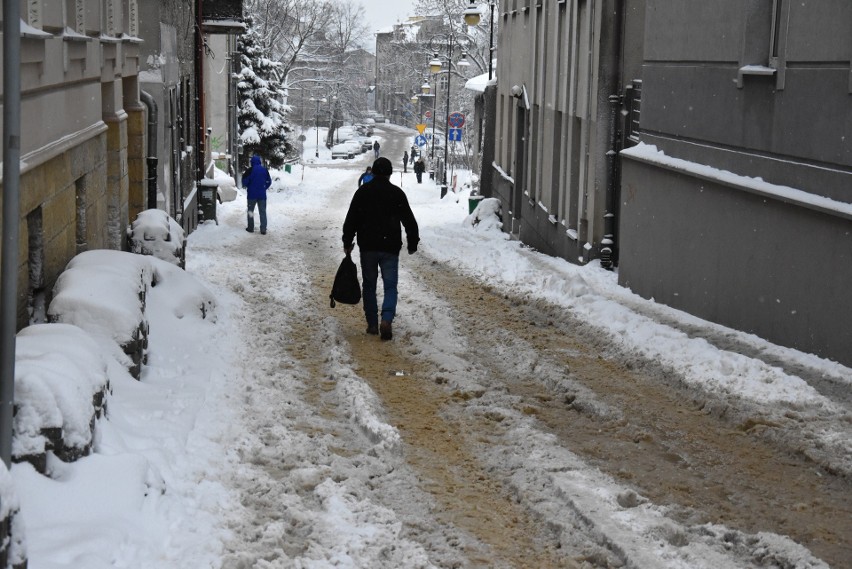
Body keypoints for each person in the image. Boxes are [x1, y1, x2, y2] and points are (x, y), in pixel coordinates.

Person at [342, 157, 419, 341]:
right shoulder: (397, 194)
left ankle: (372, 324)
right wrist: (412, 242)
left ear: (374, 172)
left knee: (369, 285)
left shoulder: (363, 192)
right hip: (390, 247)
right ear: (390, 173)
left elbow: (351, 219)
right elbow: (409, 220)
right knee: (390, 285)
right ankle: (386, 319)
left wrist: (347, 241)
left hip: (368, 247)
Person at [242, 154, 272, 234]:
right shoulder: (264, 170)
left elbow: (244, 182)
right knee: (262, 212)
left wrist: (249, 186)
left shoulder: (249, 170)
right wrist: (264, 187)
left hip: (252, 195)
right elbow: (269, 181)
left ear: (252, 162)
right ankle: (263, 229)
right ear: (259, 161)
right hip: (262, 195)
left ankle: (250, 227)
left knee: (250, 211)